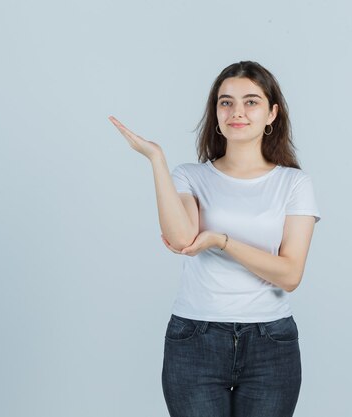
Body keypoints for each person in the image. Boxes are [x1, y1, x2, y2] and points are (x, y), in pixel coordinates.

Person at [108, 60, 321, 417]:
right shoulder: (190, 176)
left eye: (251, 101)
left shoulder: (293, 184)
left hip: (270, 343)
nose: (237, 111)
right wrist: (156, 159)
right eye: (226, 102)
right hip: (195, 338)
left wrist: (223, 242)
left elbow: (289, 274)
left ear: (272, 113)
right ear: (216, 112)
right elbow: (181, 239)